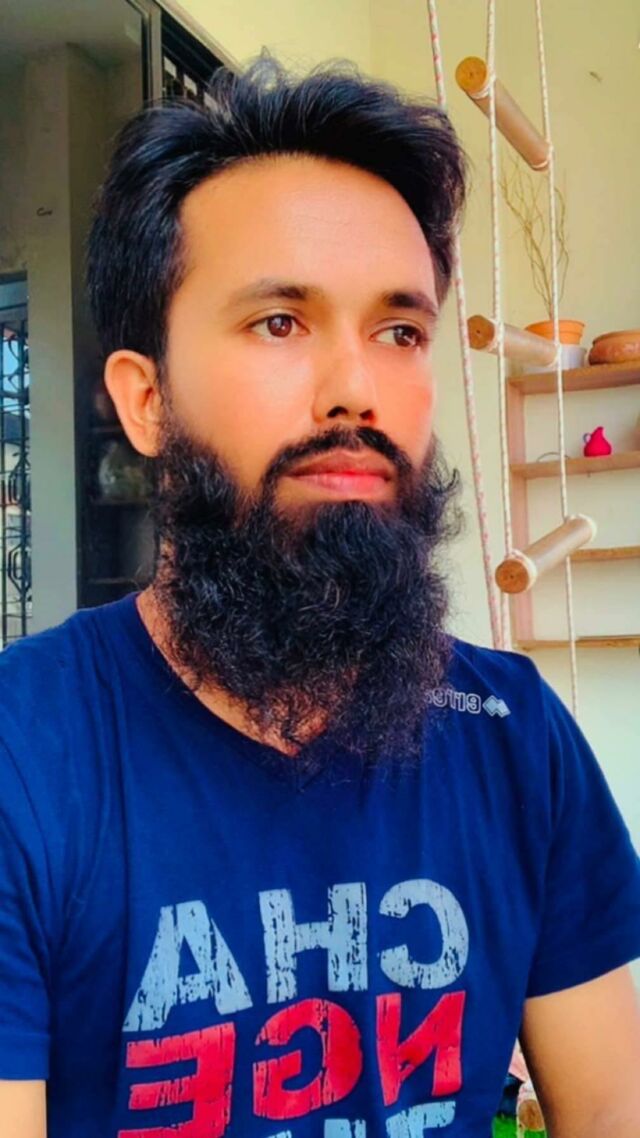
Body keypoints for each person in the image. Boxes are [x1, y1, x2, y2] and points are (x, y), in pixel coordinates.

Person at [0, 54, 639, 1138]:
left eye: (399, 332)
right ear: (146, 401)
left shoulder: (515, 738)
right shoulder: (26, 753)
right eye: (279, 322)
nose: (356, 388)